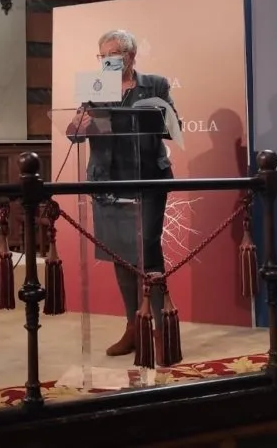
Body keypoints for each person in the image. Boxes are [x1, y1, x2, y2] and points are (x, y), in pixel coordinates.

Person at [67, 29, 181, 358]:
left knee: (146, 248)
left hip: (148, 180)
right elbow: (75, 133)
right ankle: (134, 327)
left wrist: (154, 118)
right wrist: (80, 123)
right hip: (108, 181)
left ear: (131, 56)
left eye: (114, 54)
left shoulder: (155, 85)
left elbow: (174, 128)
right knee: (119, 252)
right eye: (103, 56)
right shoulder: (95, 87)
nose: (108, 61)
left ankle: (159, 328)